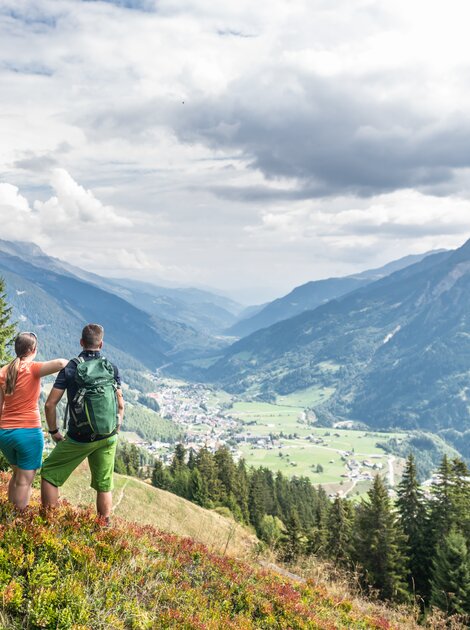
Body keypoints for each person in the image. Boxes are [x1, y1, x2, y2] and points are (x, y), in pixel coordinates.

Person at [41, 324, 124, 523]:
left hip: (79, 437)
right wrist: (116, 428)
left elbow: (50, 404)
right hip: (108, 436)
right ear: (101, 344)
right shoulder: (111, 367)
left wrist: (54, 432)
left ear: (81, 342)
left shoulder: (71, 368)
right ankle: (104, 529)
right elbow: (120, 404)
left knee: (50, 472)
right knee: (104, 484)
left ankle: (47, 524)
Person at [0, 332, 67, 509]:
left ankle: (9, 515)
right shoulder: (32, 368)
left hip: (5, 433)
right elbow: (61, 363)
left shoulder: (3, 372)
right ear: (33, 349)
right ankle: (18, 521)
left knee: (16, 477)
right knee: (24, 482)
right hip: (28, 433)